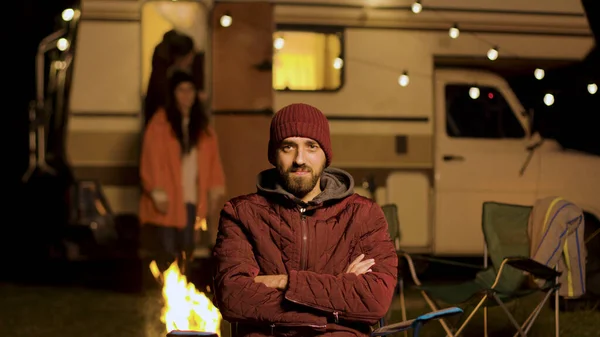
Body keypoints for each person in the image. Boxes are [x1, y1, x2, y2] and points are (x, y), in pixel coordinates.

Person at [213, 103, 398, 337]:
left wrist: (283, 282)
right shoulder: (240, 213)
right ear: (273, 154)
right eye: (288, 147)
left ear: (325, 155)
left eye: (311, 146)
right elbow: (232, 296)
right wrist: (337, 292)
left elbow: (374, 300)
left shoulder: (363, 214)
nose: (300, 159)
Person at [139, 70, 225, 266]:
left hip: (192, 198)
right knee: (166, 252)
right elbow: (150, 160)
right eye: (181, 90)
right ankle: (165, 292)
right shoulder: (160, 125)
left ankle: (182, 291)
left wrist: (213, 191)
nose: (186, 95)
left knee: (187, 250)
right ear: (173, 94)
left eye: (190, 90)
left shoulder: (203, 129)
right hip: (168, 198)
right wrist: (156, 191)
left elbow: (213, 163)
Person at [144, 30, 203, 126]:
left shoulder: (168, 69)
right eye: (190, 57)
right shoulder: (162, 77)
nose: (191, 61)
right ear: (180, 58)